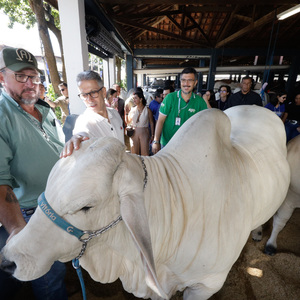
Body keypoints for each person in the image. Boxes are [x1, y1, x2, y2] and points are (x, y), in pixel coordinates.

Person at [0, 46, 67, 300]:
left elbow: (59, 147)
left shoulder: (45, 110)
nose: (30, 83)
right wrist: (18, 231)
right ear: (1, 77)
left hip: (59, 204)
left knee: (56, 271)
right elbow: (1, 182)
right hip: (32, 213)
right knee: (49, 278)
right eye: (21, 76)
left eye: (34, 76)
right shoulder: (2, 116)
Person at [152, 67, 208, 154]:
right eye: (183, 80)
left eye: (190, 80)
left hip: (188, 146)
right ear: (180, 82)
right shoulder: (170, 98)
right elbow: (160, 121)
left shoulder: (200, 102)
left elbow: (203, 125)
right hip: (167, 144)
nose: (186, 83)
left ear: (195, 82)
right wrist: (156, 141)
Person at [72, 70, 124, 144]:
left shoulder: (115, 113)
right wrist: (77, 138)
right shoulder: (84, 122)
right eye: (84, 95)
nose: (89, 100)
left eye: (93, 92)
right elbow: (80, 134)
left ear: (103, 92)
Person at [125, 89, 154, 155]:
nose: (134, 100)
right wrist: (126, 113)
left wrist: (152, 135)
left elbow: (151, 123)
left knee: (145, 152)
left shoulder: (147, 110)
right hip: (134, 133)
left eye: (136, 98)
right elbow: (127, 121)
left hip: (144, 132)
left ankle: (145, 165)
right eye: (133, 98)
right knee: (134, 153)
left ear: (141, 99)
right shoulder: (132, 109)